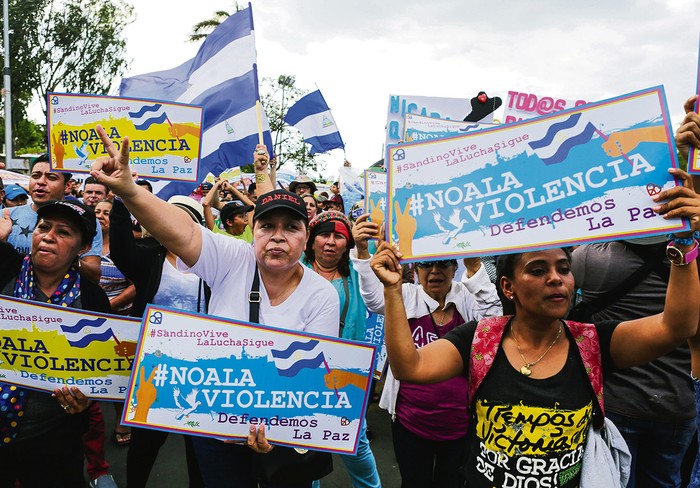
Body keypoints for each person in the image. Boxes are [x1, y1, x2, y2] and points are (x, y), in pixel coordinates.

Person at [367, 167, 700, 487]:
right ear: (509, 287)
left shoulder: (593, 343)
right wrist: (393, 290)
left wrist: (685, 243)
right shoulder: (481, 339)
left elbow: (676, 327)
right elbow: (409, 366)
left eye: (564, 268)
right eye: (538, 270)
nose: (555, 278)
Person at [89, 125, 339, 487]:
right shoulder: (232, 258)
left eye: (291, 227)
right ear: (254, 231)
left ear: (306, 237)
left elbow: (314, 378)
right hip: (216, 429)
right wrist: (127, 189)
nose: (278, 235)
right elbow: (185, 232)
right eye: (267, 225)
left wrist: (278, 426)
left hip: (283, 432)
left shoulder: (321, 295)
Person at [352, 216, 502, 488]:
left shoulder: (466, 296)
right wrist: (363, 252)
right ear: (414, 267)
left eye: (443, 263)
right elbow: (374, 299)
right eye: (426, 264)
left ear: (454, 266)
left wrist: (474, 265)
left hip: (459, 423)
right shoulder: (404, 294)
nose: (435, 271)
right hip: (411, 422)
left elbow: (493, 320)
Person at [0, 199, 115, 487]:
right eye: (43, 227)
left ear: (83, 247)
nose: (48, 236)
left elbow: (100, 369)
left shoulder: (92, 300)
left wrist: (86, 399)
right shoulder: (4, 271)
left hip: (55, 436)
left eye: (64, 232)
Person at [109, 194, 208, 488]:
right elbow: (121, 249)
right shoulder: (149, 256)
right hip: (155, 366)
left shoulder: (214, 263)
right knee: (146, 442)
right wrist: (119, 199)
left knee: (198, 445)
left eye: (184, 218)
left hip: (200, 368)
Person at [301, 211, 381, 488]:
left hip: (344, 370)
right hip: (300, 370)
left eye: (339, 236)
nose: (331, 242)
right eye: (324, 234)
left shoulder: (357, 274)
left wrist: (363, 243)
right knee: (304, 440)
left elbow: (377, 247)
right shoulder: (293, 268)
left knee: (355, 442)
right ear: (311, 240)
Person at [2, 154, 102, 283]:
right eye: (35, 176)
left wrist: (65, 257)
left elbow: (94, 275)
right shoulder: (5, 216)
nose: (41, 182)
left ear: (67, 186)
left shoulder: (85, 221)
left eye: (51, 177)